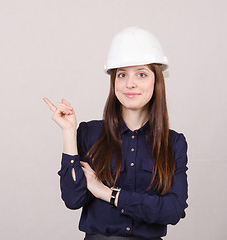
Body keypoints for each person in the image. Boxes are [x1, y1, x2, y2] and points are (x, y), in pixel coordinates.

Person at [43, 27, 188, 240]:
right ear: (114, 81)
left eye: (141, 74)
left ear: (156, 81)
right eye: (122, 74)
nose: (130, 83)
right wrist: (68, 132)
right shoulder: (89, 133)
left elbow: (173, 210)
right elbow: (73, 199)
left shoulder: (173, 143)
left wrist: (106, 192)